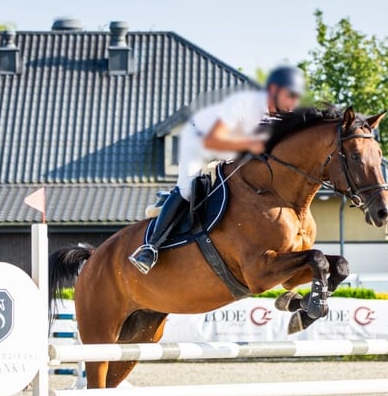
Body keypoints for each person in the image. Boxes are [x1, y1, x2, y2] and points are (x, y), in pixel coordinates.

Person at [129, 65, 306, 274]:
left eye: (297, 97)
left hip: (230, 149)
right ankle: (151, 247)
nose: (294, 102)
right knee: (187, 189)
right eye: (291, 95)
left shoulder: (279, 116)